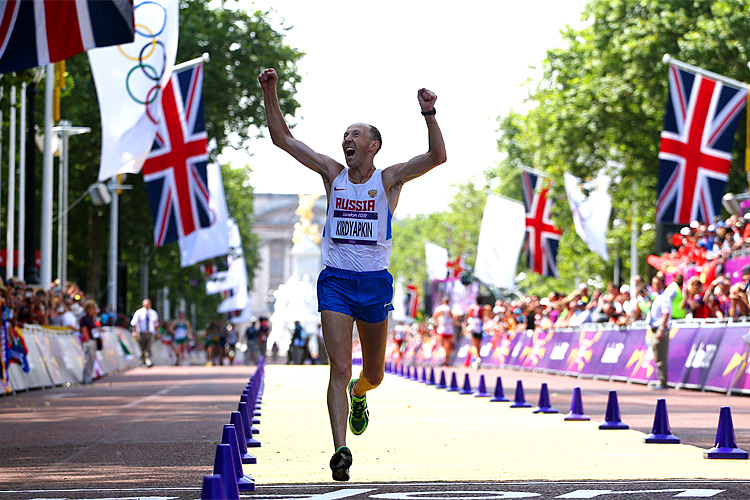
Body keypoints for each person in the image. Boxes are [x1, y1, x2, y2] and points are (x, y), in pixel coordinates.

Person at [258, 67, 446, 482]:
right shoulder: (332, 174)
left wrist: (429, 115)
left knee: (371, 374)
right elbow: (283, 140)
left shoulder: (389, 178)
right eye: (345, 134)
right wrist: (270, 92)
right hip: (336, 282)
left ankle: (362, 394)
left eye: (355, 134)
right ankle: (340, 449)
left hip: (375, 283)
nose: (347, 139)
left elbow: (436, 158)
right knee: (338, 369)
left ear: (373, 146)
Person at [646, 274, 671, 390]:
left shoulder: (664, 297)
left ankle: (663, 382)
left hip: (660, 329)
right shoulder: (657, 297)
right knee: (657, 356)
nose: (654, 286)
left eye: (657, 283)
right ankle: (660, 380)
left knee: (661, 357)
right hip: (654, 329)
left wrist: (661, 328)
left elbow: (666, 313)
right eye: (653, 283)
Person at [130, 299, 159, 368]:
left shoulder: (153, 313)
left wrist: (157, 332)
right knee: (142, 348)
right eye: (145, 304)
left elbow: (156, 324)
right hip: (141, 333)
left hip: (150, 333)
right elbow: (134, 323)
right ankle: (143, 362)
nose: (147, 305)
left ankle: (148, 361)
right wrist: (134, 332)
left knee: (149, 347)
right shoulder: (139, 312)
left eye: (148, 304)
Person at [78, 300, 99, 385]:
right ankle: (85, 378)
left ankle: (89, 376)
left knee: (91, 360)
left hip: (93, 340)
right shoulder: (84, 319)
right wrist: (87, 340)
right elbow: (84, 330)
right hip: (88, 341)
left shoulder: (92, 319)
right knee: (88, 359)